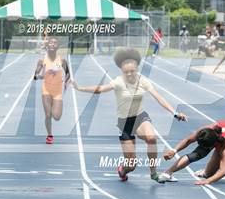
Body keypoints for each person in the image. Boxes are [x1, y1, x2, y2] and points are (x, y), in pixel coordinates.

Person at [72, 48, 188, 183]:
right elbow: (101, 89)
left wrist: (175, 113)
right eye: (126, 72)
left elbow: (158, 97)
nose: (129, 74)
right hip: (125, 122)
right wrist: (80, 88)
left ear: (137, 68)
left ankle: (153, 173)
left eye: (132, 71)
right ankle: (123, 170)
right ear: (122, 71)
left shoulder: (142, 80)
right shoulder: (118, 81)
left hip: (140, 117)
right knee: (131, 165)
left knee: (151, 138)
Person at [158, 120, 225, 185]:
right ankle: (167, 173)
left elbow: (224, 171)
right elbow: (188, 140)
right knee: (195, 155)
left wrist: (207, 181)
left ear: (213, 144)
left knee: (209, 175)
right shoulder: (204, 131)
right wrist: (174, 151)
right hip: (214, 136)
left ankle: (205, 172)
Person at [33, 37, 70, 144]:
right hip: (46, 90)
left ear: (57, 46)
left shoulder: (62, 60)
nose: (53, 44)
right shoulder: (42, 60)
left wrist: (66, 82)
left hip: (58, 90)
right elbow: (35, 76)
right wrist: (40, 75)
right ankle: (49, 135)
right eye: (51, 43)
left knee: (57, 117)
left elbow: (68, 73)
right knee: (48, 114)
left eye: (55, 43)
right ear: (47, 45)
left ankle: (55, 109)